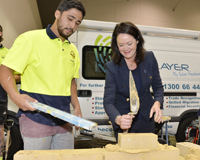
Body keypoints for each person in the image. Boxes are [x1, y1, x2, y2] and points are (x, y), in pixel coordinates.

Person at [0, 0, 86, 150]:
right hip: (36, 118)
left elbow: (71, 82)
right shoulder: (30, 39)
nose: (73, 26)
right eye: (70, 18)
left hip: (64, 120)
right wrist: (15, 96)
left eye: (77, 23)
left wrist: (76, 107)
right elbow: (5, 70)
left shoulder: (73, 50)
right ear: (57, 14)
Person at [103, 22, 164, 141]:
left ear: (137, 40)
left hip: (147, 119)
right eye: (121, 45)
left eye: (129, 43)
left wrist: (157, 103)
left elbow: (158, 87)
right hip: (124, 123)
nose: (125, 49)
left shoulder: (149, 58)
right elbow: (108, 102)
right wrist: (118, 119)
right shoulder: (112, 67)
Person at [0, 25, 20, 159]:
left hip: (0, 99)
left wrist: (3, 76)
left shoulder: (8, 53)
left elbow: (19, 75)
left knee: (0, 135)